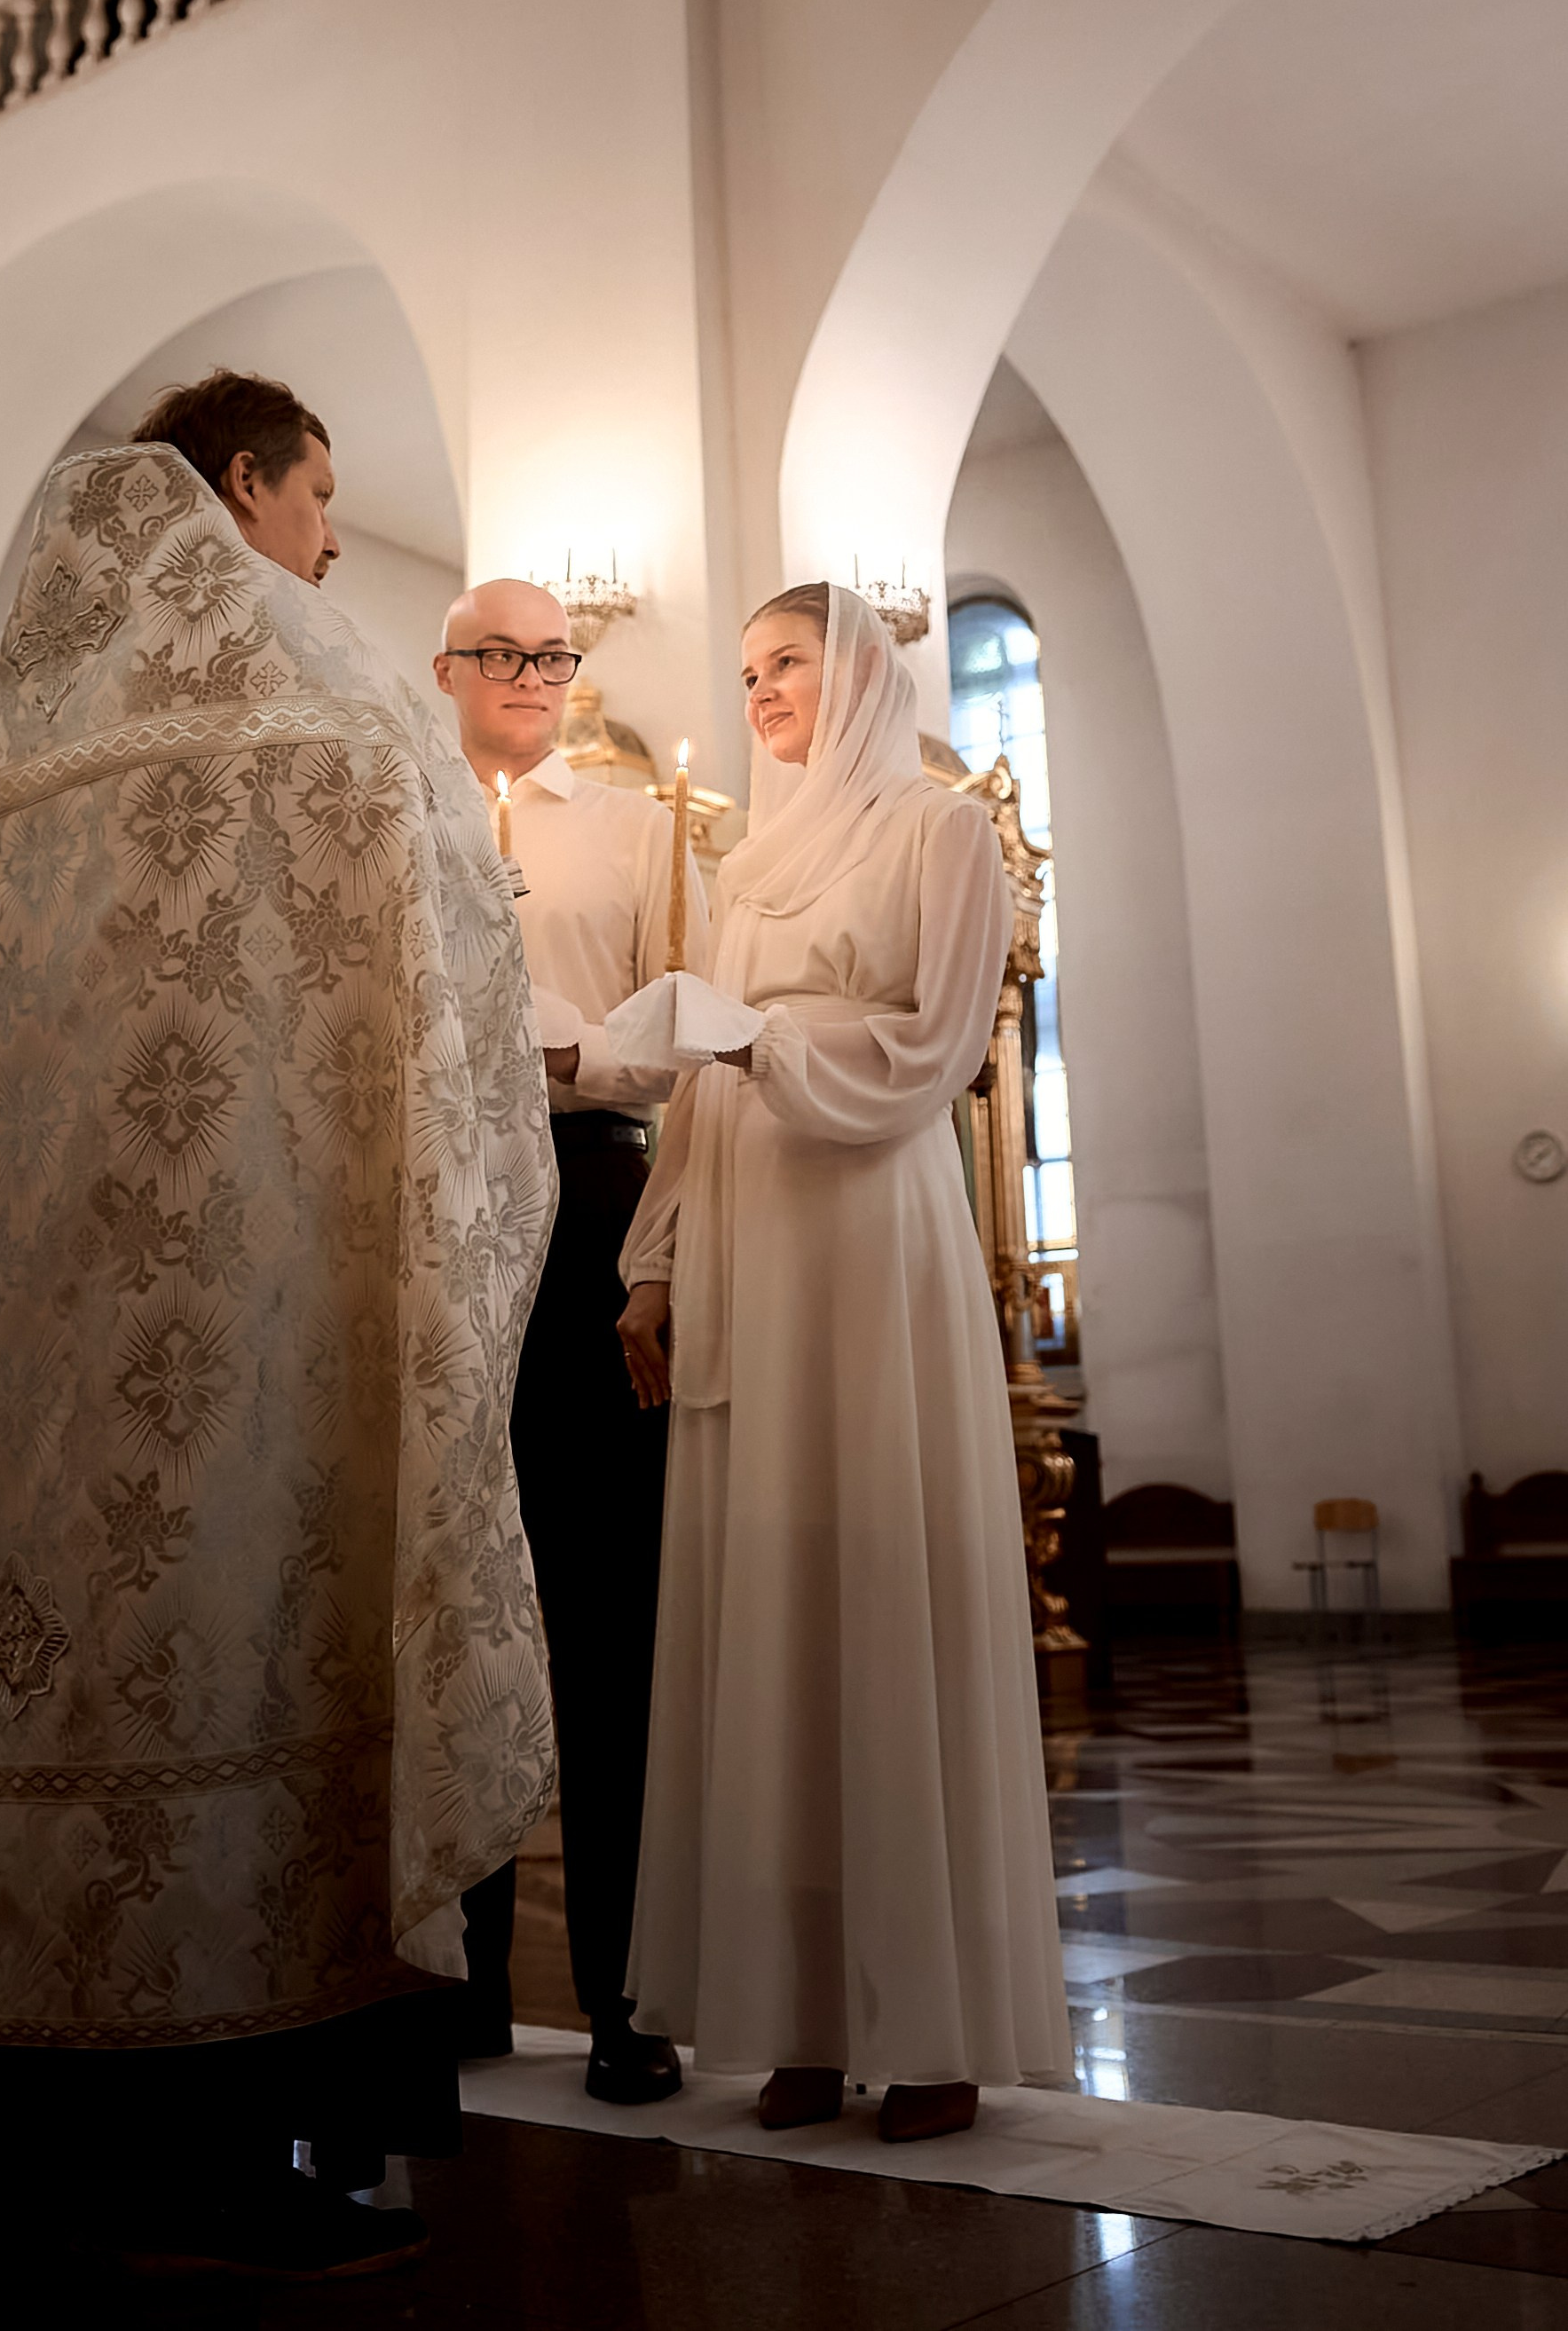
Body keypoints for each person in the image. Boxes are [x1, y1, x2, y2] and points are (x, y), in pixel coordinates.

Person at [0, 372, 556, 2285]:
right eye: (320, 493)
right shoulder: (332, 684)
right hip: (246, 1354)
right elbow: (451, 934)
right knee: (231, 1689)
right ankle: (215, 2155)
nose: (336, 536)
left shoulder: (30, 714)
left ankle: (23, 2162)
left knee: (49, 1688)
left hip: (25, 1391)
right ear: (243, 482)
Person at [615, 581, 1068, 2138]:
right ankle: (795, 2013)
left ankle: (928, 2027)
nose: (759, 694)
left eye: (786, 664)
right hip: (749, 1233)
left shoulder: (940, 833)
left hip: (869, 1235)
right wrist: (655, 1262)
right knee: (770, 1611)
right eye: (744, 674)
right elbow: (694, 1081)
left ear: (861, 669)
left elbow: (942, 1046)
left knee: (876, 1594)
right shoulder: (744, 867)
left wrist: (768, 1047)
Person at [434, 579, 708, 2109]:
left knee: (610, 1606)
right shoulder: (391, 811)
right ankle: (458, 1979)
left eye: (553, 655)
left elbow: (693, 1029)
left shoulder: (635, 827)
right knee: (445, 1584)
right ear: (449, 669)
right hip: (432, 1207)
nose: (533, 677)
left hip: (597, 1190)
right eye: (502, 654)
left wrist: (577, 1051)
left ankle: (626, 1993)